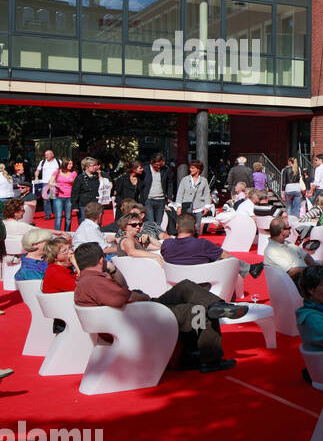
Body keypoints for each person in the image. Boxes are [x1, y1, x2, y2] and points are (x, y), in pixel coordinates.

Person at [72, 243, 245, 373]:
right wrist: (143, 296)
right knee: (198, 310)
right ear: (101, 259)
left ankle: (217, 305)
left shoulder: (87, 280)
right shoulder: (94, 282)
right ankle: (210, 358)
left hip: (137, 313)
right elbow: (126, 296)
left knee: (184, 286)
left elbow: (122, 289)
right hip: (143, 316)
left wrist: (112, 270)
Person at [160, 213, 264, 279]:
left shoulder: (166, 245)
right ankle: (250, 268)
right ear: (195, 226)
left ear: (177, 226)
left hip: (173, 283)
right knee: (223, 258)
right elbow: (226, 256)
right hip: (202, 283)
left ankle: (250, 268)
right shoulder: (202, 244)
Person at [140, 153, 174, 228]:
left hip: (161, 200)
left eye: (160, 165)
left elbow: (170, 184)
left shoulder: (165, 170)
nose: (158, 167)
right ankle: (152, 237)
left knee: (159, 222)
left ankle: (156, 237)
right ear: (152, 162)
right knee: (151, 221)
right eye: (156, 165)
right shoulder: (145, 170)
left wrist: (169, 196)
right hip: (148, 199)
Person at [52, 159, 77, 232]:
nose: (71, 165)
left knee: (68, 217)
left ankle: (67, 232)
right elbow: (50, 182)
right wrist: (56, 185)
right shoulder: (57, 172)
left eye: (72, 164)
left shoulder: (73, 173)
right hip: (58, 196)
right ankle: (57, 232)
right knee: (58, 216)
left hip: (69, 197)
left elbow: (75, 185)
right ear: (65, 164)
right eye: (69, 164)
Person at [37, 149, 59, 221]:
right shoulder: (42, 162)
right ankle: (47, 215)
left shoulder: (58, 162)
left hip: (55, 183)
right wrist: (36, 177)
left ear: (52, 155)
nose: (46, 156)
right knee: (46, 199)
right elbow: (38, 170)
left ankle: (56, 213)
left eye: (47, 154)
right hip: (45, 183)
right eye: (45, 154)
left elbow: (62, 170)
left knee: (54, 198)